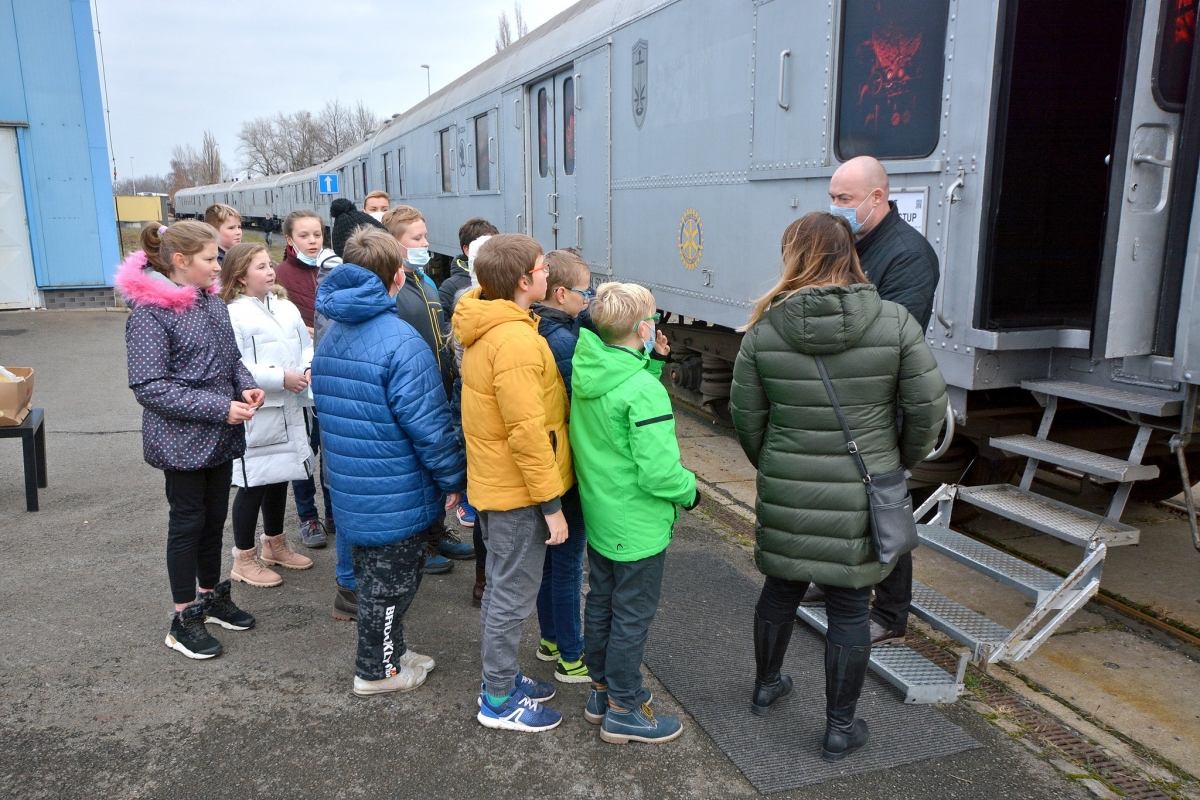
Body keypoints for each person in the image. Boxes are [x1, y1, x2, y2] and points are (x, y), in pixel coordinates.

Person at [729, 212, 946, 761]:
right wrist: (895, 462)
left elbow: (747, 419)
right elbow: (927, 411)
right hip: (860, 486)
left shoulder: (765, 328)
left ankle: (766, 684)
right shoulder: (895, 323)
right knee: (851, 608)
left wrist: (777, 466)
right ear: (851, 253)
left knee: (781, 588)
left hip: (787, 484)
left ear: (793, 258)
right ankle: (839, 727)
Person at [311, 226, 466, 697]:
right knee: (391, 589)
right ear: (397, 277)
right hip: (396, 487)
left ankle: (391, 654)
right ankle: (376, 671)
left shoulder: (333, 334)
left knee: (374, 580)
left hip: (355, 482)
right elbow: (430, 429)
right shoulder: (402, 343)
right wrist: (455, 478)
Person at [805, 156, 943, 646]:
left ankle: (890, 611)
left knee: (883, 507)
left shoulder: (909, 256)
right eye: (834, 197)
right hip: (847, 399)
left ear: (877, 198)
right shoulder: (856, 244)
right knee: (841, 500)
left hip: (879, 405)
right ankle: (831, 579)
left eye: (845, 199)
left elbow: (894, 338)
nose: (836, 207)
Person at [115, 220, 264, 660]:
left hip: (219, 436)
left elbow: (231, 359)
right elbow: (150, 387)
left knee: (214, 518)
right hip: (181, 442)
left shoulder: (210, 303)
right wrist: (219, 408)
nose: (218, 264)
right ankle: (183, 618)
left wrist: (246, 385)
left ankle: (211, 597)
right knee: (187, 524)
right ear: (180, 262)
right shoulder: (150, 314)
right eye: (210, 258)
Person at [569, 282, 698, 744]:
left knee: (601, 602)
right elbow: (660, 474)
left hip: (602, 516)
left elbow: (618, 398)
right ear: (644, 327)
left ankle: (601, 692)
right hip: (638, 524)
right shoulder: (643, 391)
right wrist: (691, 492)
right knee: (632, 616)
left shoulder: (589, 366)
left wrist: (654, 362)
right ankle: (626, 708)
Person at [453, 233, 572, 732]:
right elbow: (527, 432)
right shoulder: (518, 340)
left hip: (498, 484)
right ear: (525, 281)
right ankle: (498, 700)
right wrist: (551, 505)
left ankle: (501, 679)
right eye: (544, 267)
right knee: (511, 596)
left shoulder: (491, 324)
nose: (549, 274)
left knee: (505, 588)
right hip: (520, 492)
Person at [220, 243, 316, 588]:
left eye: (268, 264)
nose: (269, 271)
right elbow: (236, 363)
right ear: (241, 277)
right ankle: (243, 558)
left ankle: (274, 544)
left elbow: (306, 342)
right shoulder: (233, 313)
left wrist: (306, 366)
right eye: (259, 267)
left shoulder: (285, 307)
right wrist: (280, 378)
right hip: (259, 410)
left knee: (280, 475)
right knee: (253, 482)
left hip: (289, 405)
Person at [381, 205, 470, 571]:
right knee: (418, 471)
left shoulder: (425, 280)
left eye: (424, 235)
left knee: (436, 468)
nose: (425, 243)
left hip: (438, 387)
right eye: (416, 238)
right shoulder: (395, 288)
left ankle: (436, 532)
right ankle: (420, 544)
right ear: (394, 244)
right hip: (414, 391)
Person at [530, 249, 594, 683]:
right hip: (565, 466)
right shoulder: (563, 343)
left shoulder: (537, 325)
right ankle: (572, 656)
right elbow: (580, 406)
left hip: (543, 468)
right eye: (584, 291)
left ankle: (549, 639)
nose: (588, 298)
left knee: (549, 561)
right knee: (569, 563)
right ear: (560, 293)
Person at [274, 210, 340, 553]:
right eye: (304, 235)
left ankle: (333, 512)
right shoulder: (279, 276)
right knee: (304, 450)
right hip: (299, 377)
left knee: (331, 447)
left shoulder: (333, 270)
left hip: (330, 370)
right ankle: (307, 515)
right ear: (289, 239)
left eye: (317, 234)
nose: (313, 241)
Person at [440, 217, 499, 322]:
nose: (493, 251)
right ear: (467, 250)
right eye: (485, 246)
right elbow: (443, 326)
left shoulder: (503, 279)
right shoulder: (450, 288)